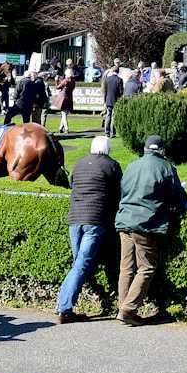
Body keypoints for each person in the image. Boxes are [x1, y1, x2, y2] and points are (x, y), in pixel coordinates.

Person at [114, 135, 187, 327]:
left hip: (124, 221)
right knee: (146, 267)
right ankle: (127, 309)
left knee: (126, 268)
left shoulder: (131, 165)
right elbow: (178, 198)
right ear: (161, 150)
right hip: (145, 224)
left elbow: (123, 190)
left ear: (146, 149)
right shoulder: (166, 168)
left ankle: (124, 309)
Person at [58, 135, 122, 324]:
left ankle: (64, 304)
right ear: (108, 149)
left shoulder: (79, 164)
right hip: (95, 220)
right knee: (81, 265)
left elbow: (72, 185)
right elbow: (119, 193)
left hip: (74, 219)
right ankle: (64, 308)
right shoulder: (112, 166)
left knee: (78, 264)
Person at [53, 68, 77, 133]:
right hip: (69, 98)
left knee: (63, 114)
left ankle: (66, 128)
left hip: (63, 99)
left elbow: (57, 87)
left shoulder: (65, 81)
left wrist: (56, 81)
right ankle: (60, 128)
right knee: (64, 114)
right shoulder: (73, 81)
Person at [102, 67, 123, 138]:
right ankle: (113, 132)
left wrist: (105, 101)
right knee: (113, 117)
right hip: (116, 100)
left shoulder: (107, 79)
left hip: (108, 100)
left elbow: (105, 92)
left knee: (108, 116)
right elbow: (121, 92)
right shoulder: (119, 80)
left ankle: (106, 132)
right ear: (118, 72)